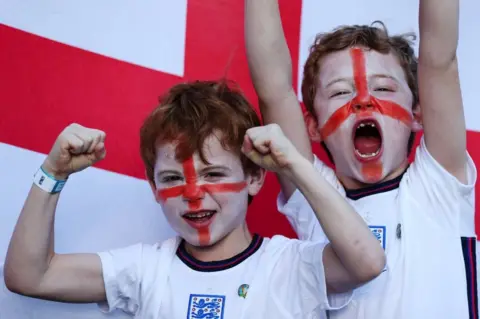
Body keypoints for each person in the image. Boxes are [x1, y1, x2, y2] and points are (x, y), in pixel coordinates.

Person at [3, 80, 385, 318]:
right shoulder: (144, 270)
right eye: (171, 179)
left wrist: (294, 165)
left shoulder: (289, 267)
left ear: (254, 178)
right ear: (154, 190)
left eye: (214, 174)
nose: (192, 194)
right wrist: (52, 175)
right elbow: (28, 276)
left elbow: (367, 262)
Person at [245, 0, 476, 318]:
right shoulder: (314, 192)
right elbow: (274, 90)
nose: (363, 101)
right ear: (312, 126)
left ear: (417, 114)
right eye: (340, 92)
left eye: (383, 87)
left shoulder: (439, 184)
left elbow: (440, 61)